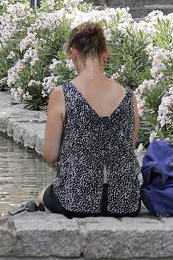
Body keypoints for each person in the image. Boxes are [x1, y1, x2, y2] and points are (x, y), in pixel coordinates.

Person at [34, 22, 141, 217]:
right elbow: (129, 144)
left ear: (74, 54)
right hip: (126, 201)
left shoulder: (62, 94)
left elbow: (50, 155)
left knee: (42, 195)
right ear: (105, 54)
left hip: (76, 199)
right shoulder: (128, 96)